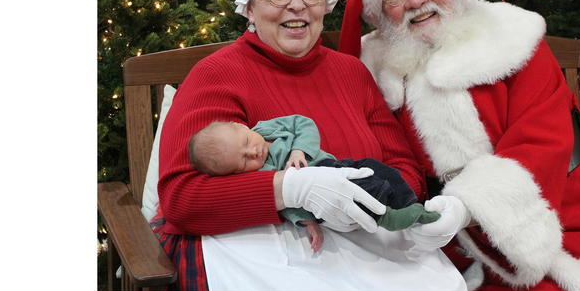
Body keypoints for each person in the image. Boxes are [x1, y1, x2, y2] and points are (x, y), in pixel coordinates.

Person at [151, 0, 466, 291]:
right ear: (249, 7)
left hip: (365, 241)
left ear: (325, 2)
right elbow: (183, 199)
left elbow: (406, 171)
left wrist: (373, 201)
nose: (297, 4)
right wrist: (292, 190)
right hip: (265, 251)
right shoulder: (217, 75)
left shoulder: (352, 73)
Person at [339, 0, 580, 291]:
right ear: (381, 17)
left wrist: (470, 207)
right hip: (446, 249)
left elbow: (543, 141)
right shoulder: (376, 75)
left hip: (567, 218)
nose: (416, 1)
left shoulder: (513, 39)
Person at [186, 115, 441, 252]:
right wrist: (307, 222)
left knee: (376, 168)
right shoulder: (261, 172)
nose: (253, 152)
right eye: (243, 160)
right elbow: (285, 204)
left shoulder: (267, 128)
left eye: (246, 141)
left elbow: (303, 123)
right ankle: (388, 218)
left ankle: (410, 207)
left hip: (334, 165)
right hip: (323, 195)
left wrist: (299, 150)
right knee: (362, 192)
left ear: (241, 126)